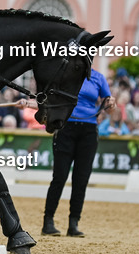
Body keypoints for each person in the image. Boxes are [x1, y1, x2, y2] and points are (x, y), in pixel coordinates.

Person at [42, 69, 115, 238]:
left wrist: (111, 104)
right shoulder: (65, 73)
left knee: (81, 179)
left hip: (88, 130)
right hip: (66, 127)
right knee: (59, 177)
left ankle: (73, 223)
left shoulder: (98, 78)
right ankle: (48, 221)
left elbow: (109, 105)